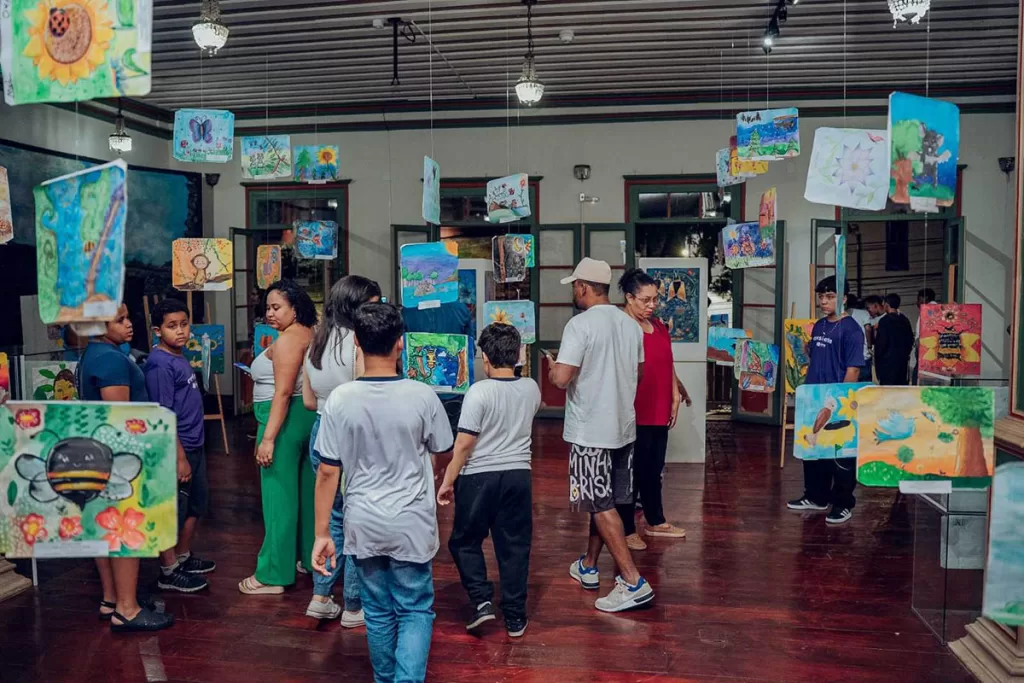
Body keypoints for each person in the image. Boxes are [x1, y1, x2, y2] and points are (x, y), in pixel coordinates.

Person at [312, 302, 453, 683]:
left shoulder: (340, 399)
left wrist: (322, 533)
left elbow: (327, 471)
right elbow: (443, 450)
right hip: (412, 522)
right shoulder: (422, 395)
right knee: (414, 608)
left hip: (363, 522)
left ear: (356, 342)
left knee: (376, 610)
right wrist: (435, 474)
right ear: (400, 343)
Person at [548, 257, 655, 613]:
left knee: (599, 503)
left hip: (590, 431)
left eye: (575, 287)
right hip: (623, 429)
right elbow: (639, 374)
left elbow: (562, 379)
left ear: (582, 287)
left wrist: (553, 369)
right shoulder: (631, 326)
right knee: (604, 501)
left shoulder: (579, 325)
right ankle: (589, 566)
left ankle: (632, 581)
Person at [438, 323, 541, 638]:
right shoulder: (532, 388)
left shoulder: (479, 392)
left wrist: (447, 480)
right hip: (519, 476)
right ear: (518, 354)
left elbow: (464, 444)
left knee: (464, 541)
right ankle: (515, 616)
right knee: (514, 546)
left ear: (484, 357)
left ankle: (482, 600)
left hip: (479, 477)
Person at [78, 304, 175, 632]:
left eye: (127, 317)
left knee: (105, 530)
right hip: (120, 457)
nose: (129, 324)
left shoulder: (94, 354)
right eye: (119, 320)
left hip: (99, 454)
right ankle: (127, 608)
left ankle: (111, 599)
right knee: (123, 530)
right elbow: (120, 419)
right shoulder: (111, 360)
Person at [301, 275, 381, 625]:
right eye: (372, 306)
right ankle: (353, 604)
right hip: (352, 435)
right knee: (355, 519)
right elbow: (367, 397)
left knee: (332, 517)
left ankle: (321, 596)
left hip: (320, 431)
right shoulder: (359, 344)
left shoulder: (315, 344)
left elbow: (308, 401)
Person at [239, 279, 319, 595]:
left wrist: (268, 439)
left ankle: (273, 574)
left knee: (278, 499)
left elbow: (283, 393)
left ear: (294, 308)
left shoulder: (288, 340)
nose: (270, 313)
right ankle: (309, 560)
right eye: (268, 308)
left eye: (276, 307)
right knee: (308, 496)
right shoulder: (311, 333)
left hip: (283, 422)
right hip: (306, 418)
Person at [144, 299, 214, 594]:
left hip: (195, 443)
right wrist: (179, 457)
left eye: (184, 324)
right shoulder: (159, 364)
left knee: (196, 504)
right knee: (174, 508)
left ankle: (182, 557)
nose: (181, 331)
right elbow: (163, 414)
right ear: (157, 331)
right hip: (178, 448)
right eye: (172, 326)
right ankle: (168, 570)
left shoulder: (178, 356)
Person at [616, 268, 689, 551]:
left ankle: (655, 521)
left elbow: (667, 362)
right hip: (633, 409)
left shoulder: (658, 326)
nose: (652, 305)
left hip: (659, 407)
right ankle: (626, 529)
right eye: (645, 300)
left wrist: (675, 393)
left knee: (654, 468)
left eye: (655, 299)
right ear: (629, 297)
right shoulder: (622, 326)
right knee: (631, 472)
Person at [787, 276, 864, 525]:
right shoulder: (819, 325)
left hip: (836, 399)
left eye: (830, 297)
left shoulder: (852, 329)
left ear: (843, 299)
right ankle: (816, 497)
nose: (824, 301)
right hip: (813, 396)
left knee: (839, 454)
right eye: (821, 296)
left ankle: (842, 503)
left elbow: (853, 369)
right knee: (812, 449)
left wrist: (842, 401)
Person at [402, 299, 473, 437]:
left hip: (417, 392)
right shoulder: (460, 309)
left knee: (419, 439)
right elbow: (469, 350)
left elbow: (402, 352)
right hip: (453, 390)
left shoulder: (408, 311)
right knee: (451, 439)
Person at [874, 293, 915, 386]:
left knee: (887, 389)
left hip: (887, 363)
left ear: (887, 305)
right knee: (900, 388)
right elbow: (910, 340)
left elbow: (881, 344)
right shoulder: (905, 320)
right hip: (902, 363)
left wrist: (878, 361)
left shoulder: (884, 321)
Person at [845, 294, 873, 383]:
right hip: (864, 354)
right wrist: (869, 346)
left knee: (851, 387)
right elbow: (868, 328)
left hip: (849, 356)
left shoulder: (843, 314)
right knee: (865, 384)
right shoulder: (864, 313)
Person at [912, 288, 938, 384]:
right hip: (933, 352)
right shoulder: (939, 309)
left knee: (918, 379)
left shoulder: (928, 310)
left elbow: (923, 334)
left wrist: (918, 348)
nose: (917, 302)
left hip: (925, 351)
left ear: (925, 298)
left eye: (918, 299)